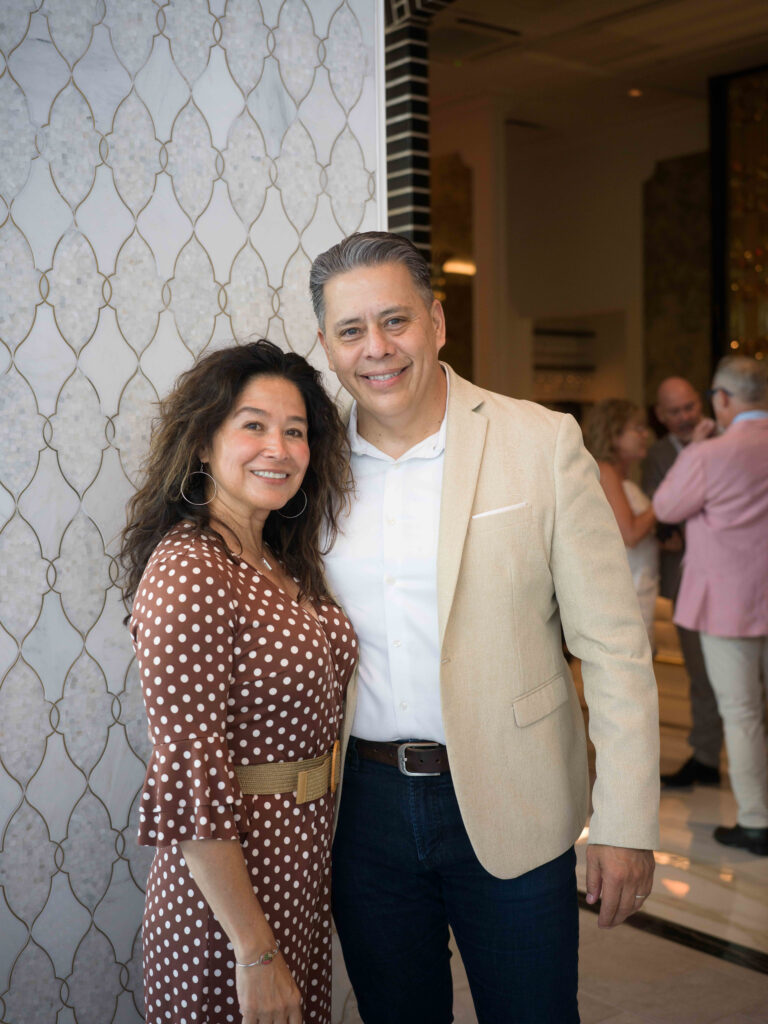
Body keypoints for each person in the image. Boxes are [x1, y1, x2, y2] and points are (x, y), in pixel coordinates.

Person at [309, 232, 659, 1024]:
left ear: (437, 321)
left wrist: (625, 819)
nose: (378, 349)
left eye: (395, 320)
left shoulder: (541, 442)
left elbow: (612, 644)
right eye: (352, 331)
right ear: (325, 346)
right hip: (361, 813)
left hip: (517, 795)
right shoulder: (307, 468)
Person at [121, 340, 357, 1024]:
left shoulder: (280, 560)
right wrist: (254, 951)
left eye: (295, 431)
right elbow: (191, 778)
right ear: (202, 443)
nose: (277, 449)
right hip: (226, 901)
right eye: (253, 425)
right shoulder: (192, 567)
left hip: (299, 866)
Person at [653, 355, 768, 856]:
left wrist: (694, 449)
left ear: (721, 399)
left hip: (729, 604)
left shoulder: (711, 452)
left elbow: (665, 508)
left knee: (742, 713)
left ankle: (757, 821)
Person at [643, 376, 724, 789]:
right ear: (660, 416)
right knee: (699, 673)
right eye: (674, 412)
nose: (685, 418)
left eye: (689, 407)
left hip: (735, 579)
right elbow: (663, 519)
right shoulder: (656, 454)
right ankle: (706, 758)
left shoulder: (727, 440)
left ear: (703, 402)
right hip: (685, 580)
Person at [583, 399, 659, 646]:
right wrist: (665, 499)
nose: (644, 434)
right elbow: (630, 534)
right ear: (613, 434)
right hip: (626, 592)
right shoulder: (605, 471)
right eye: (636, 428)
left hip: (640, 585)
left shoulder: (621, 476)